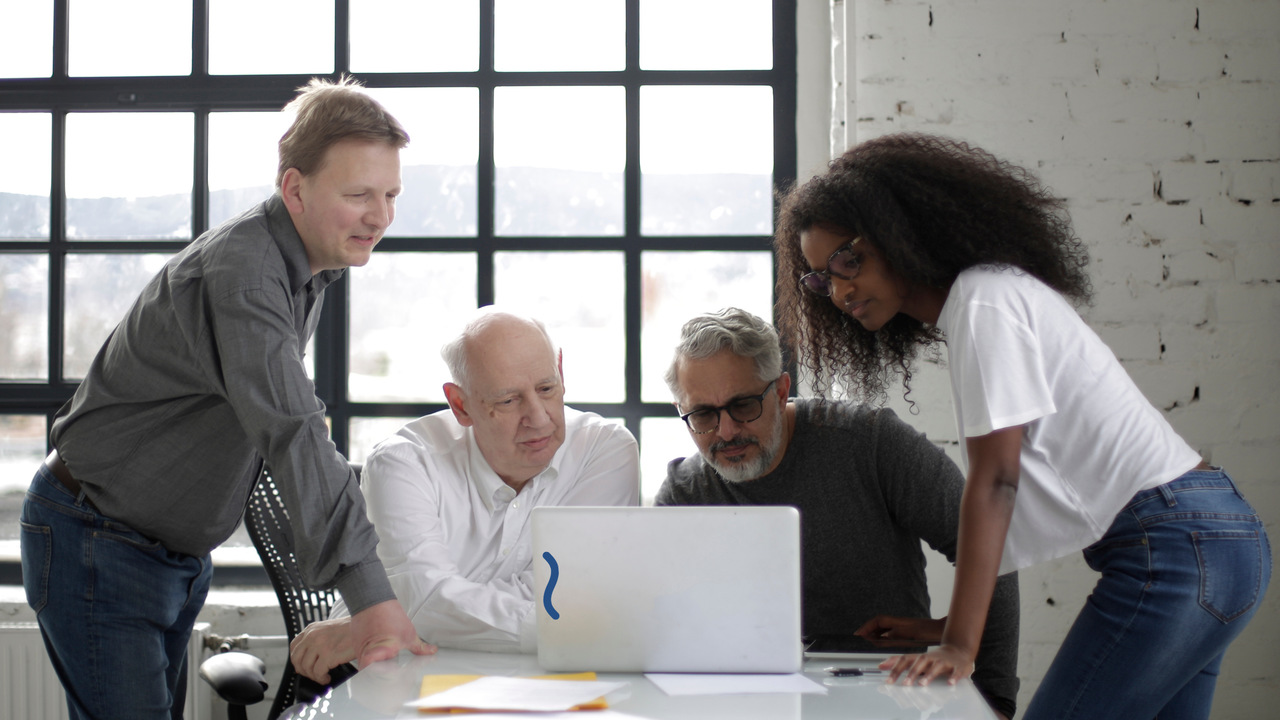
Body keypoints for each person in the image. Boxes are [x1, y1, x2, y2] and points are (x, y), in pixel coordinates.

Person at [774, 132, 1271, 719]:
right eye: (820, 279)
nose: (839, 290)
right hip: (1217, 543)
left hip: (1176, 548)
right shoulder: (988, 297)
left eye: (847, 260)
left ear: (898, 229)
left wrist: (963, 645)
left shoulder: (983, 302)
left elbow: (996, 480)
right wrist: (945, 627)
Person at [19, 76, 434, 720]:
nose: (379, 216)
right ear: (294, 189)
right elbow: (293, 430)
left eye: (390, 195)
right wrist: (371, 602)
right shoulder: (247, 274)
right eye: (358, 195)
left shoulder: (308, 267)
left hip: (168, 552)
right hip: (99, 539)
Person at [656, 307, 1020, 720]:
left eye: (743, 406)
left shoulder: (869, 444)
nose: (725, 432)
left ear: (779, 390)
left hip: (888, 699)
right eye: (702, 414)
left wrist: (994, 701)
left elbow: (992, 545)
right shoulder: (685, 492)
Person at [290, 308, 640, 680]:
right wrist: (575, 627)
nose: (538, 418)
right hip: (399, 682)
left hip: (539, 682)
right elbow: (429, 600)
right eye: (507, 401)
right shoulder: (403, 463)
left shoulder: (605, 450)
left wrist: (398, 616)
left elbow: (577, 594)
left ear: (561, 373)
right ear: (460, 404)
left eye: (546, 389)